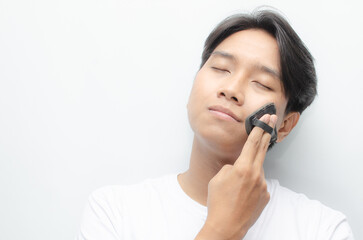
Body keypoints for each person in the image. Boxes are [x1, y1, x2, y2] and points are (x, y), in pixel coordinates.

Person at [76, 8, 354, 240]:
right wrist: (222, 229)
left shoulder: (322, 229)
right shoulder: (114, 213)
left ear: (285, 125)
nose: (231, 88)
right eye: (220, 69)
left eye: (262, 83)